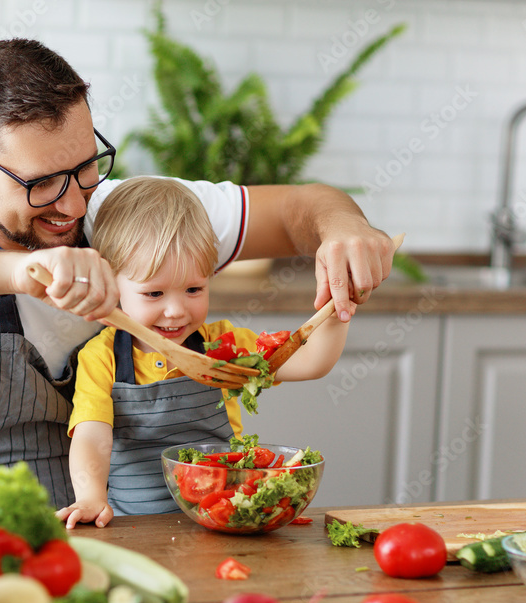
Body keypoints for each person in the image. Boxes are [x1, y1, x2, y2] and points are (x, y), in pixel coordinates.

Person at [0, 38, 398, 511]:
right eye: (40, 184)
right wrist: (18, 270)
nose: (75, 205)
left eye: (86, 167)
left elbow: (302, 208)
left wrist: (343, 228)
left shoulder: (133, 213)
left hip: (102, 527)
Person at [55, 177, 349, 528]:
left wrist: (339, 307)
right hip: (134, 527)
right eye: (154, 294)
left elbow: (311, 362)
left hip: (224, 518)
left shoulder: (224, 344)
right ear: (112, 284)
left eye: (194, 288)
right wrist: (90, 498)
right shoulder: (101, 357)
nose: (177, 310)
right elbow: (92, 435)